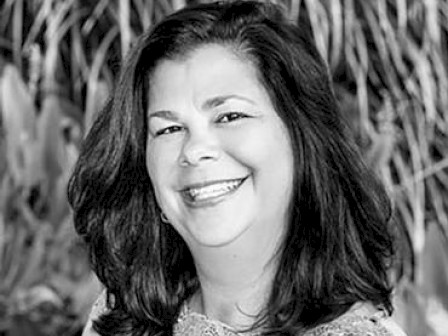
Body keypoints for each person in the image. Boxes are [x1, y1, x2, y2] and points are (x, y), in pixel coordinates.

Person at [68, 1, 408, 335]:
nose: (195, 150)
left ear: (303, 140)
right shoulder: (120, 318)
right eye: (169, 129)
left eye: (229, 116)